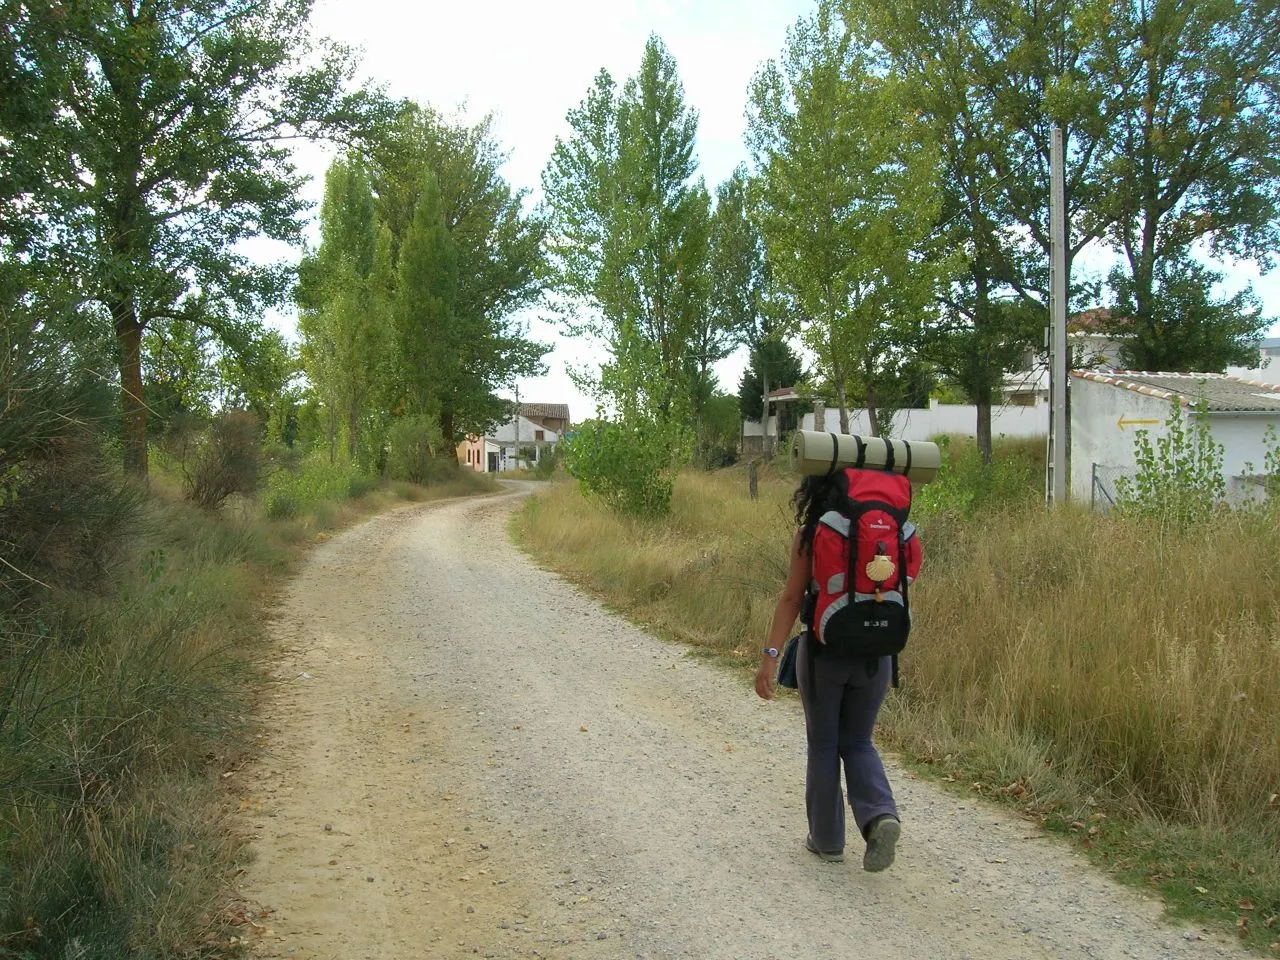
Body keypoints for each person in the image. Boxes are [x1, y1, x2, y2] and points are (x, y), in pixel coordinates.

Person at [754, 472, 921, 872]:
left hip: (824, 653)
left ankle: (827, 840)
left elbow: (793, 597)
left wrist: (771, 655)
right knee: (860, 742)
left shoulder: (813, 535)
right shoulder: (896, 534)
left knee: (824, 745)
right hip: (877, 654)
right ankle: (880, 815)